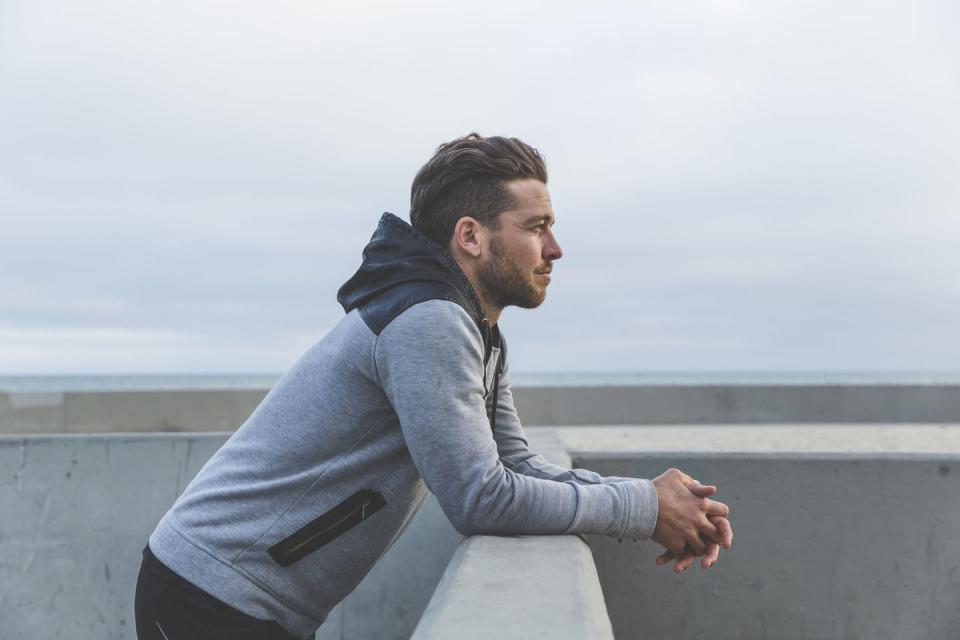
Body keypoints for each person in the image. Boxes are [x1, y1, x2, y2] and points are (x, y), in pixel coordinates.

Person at [134, 133, 734, 640]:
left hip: (247, 600)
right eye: (537, 227)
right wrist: (640, 507)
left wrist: (654, 500)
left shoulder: (472, 326)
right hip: (209, 595)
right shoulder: (430, 321)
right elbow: (482, 498)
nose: (555, 249)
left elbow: (515, 463)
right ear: (470, 236)